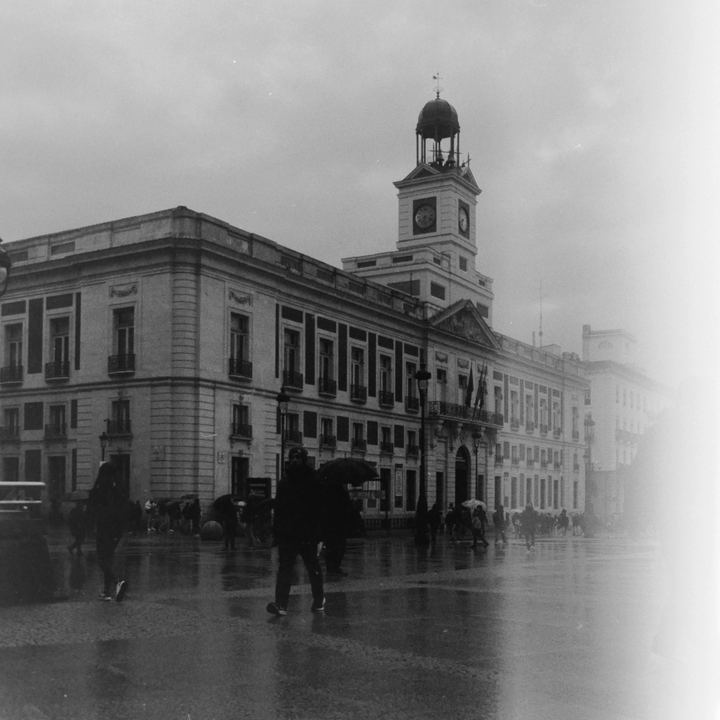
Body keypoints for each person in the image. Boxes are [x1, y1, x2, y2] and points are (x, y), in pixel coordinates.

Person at [267, 447, 325, 616]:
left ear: (304, 460)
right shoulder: (284, 482)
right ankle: (281, 605)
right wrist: (276, 534)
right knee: (284, 570)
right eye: (292, 457)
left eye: (298, 457)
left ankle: (319, 600)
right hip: (288, 534)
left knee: (312, 568)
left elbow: (320, 510)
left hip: (308, 534)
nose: (294, 460)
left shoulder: (314, 481)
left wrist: (320, 536)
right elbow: (279, 509)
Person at [87, 460, 128, 602]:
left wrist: (91, 526)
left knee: (102, 559)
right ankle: (106, 591)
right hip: (118, 529)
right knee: (109, 557)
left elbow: (92, 508)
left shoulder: (100, 486)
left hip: (104, 527)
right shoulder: (120, 488)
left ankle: (117, 582)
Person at [323, 480, 354, 576]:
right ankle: (335, 566)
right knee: (339, 546)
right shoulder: (340, 491)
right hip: (338, 523)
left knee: (331, 547)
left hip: (330, 524)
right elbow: (347, 506)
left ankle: (331, 567)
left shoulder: (326, 490)